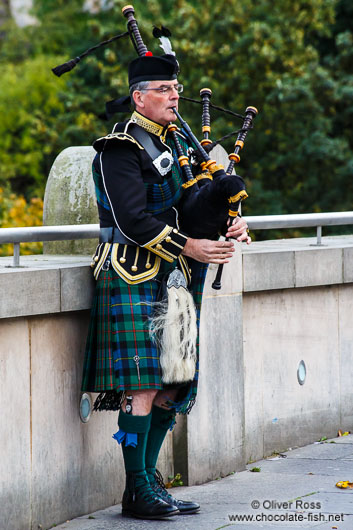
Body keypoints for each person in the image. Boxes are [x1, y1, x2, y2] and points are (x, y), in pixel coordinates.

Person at [81, 52, 250, 520]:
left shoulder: (178, 143)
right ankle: (135, 487)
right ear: (139, 96)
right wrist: (191, 247)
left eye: (177, 89)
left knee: (174, 384)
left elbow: (192, 202)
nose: (176, 96)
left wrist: (228, 220)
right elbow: (133, 219)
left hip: (172, 276)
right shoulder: (119, 148)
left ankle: (151, 479)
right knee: (143, 386)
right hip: (132, 270)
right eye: (164, 90)